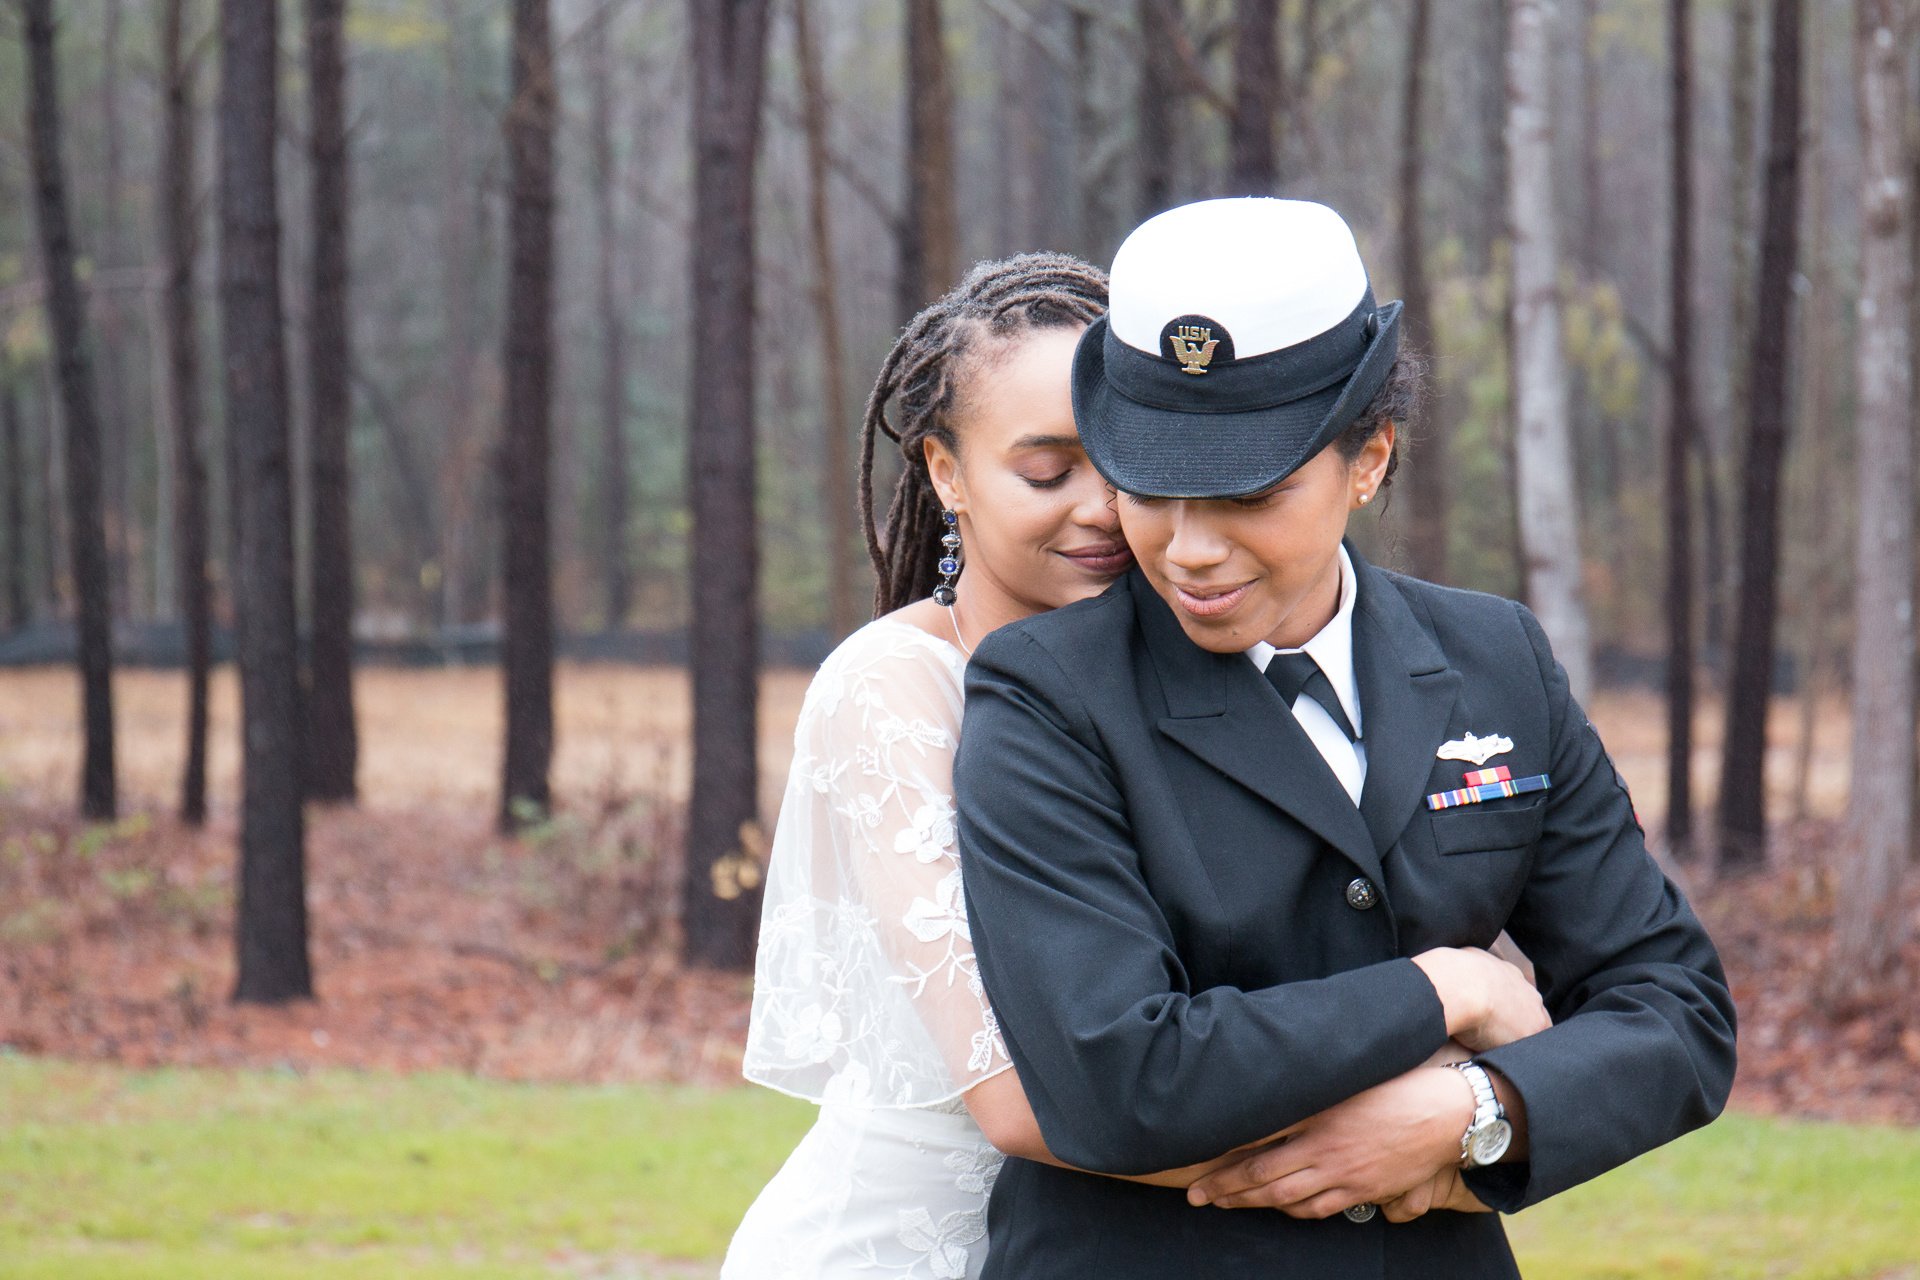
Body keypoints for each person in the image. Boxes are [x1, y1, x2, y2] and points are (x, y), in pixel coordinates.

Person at [721, 249, 1552, 1278]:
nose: (1108, 509)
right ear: (947, 474)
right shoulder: (894, 688)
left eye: (1129, 461)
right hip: (913, 1247)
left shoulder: (1205, 657)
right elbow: (1037, 1096)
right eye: (1045, 470)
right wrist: (1416, 1128)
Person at [954, 198, 1738, 1278]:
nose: (1189, 548)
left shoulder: (1494, 656)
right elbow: (1115, 1075)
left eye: (1248, 493)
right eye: (1151, 487)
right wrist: (1444, 988)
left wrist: (1475, 1108)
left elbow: (1676, 1007)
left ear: (1369, 459)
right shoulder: (1046, 694)